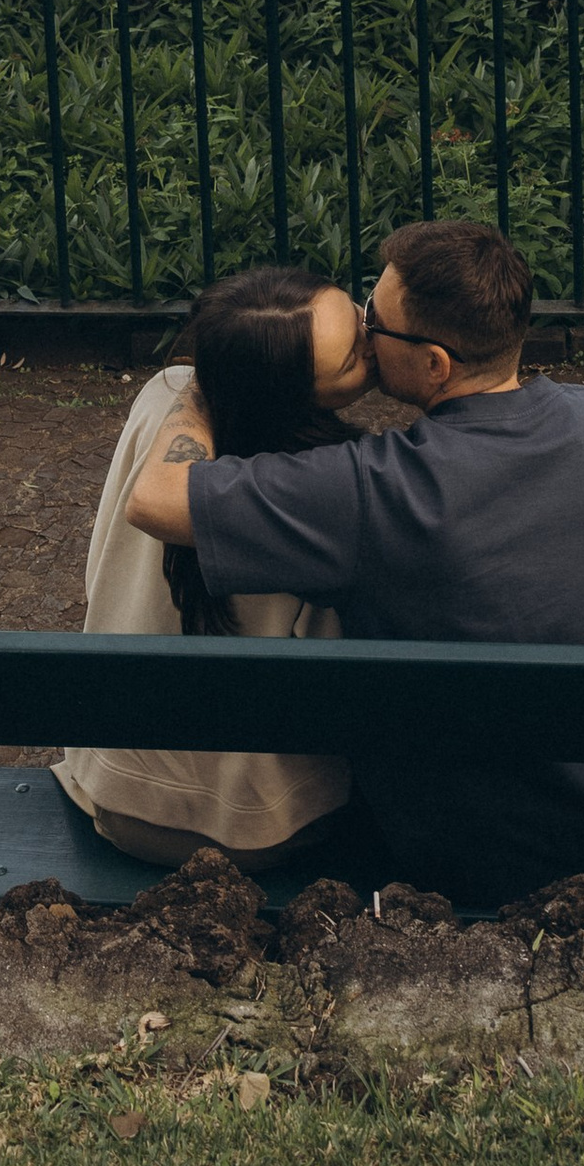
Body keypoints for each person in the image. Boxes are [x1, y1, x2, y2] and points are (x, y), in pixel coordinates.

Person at [123, 217, 584, 905]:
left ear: (434, 364)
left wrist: (203, 388)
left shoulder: (370, 489)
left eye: (377, 322)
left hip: (473, 849)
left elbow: (156, 498)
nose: (365, 332)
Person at [56, 262, 371, 870]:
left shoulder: (165, 394)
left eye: (358, 316)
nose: (372, 340)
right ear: (290, 397)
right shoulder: (331, 482)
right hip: (264, 826)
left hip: (114, 790)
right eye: (354, 357)